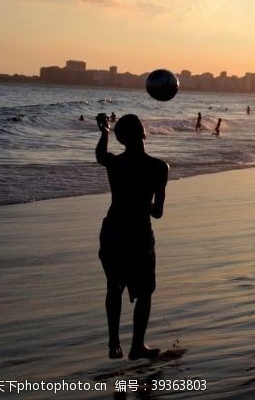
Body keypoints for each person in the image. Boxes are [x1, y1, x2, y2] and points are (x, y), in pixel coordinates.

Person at [95, 113, 168, 361]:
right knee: (145, 292)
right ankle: (137, 345)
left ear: (121, 139)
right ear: (144, 132)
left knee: (114, 287)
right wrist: (141, 201)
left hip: (113, 231)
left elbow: (100, 156)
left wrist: (104, 131)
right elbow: (157, 212)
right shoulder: (159, 167)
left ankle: (114, 342)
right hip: (139, 235)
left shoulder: (116, 164)